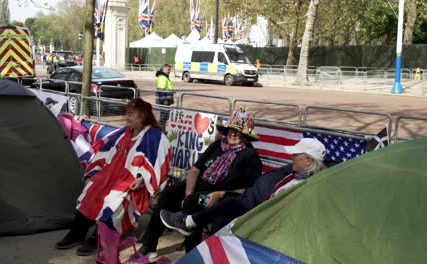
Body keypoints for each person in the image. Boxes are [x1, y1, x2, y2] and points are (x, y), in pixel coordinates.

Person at [139, 107, 263, 258]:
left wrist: (220, 194)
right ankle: (149, 245)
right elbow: (194, 171)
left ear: (245, 135)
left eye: (238, 131)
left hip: (220, 196)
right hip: (198, 186)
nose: (233, 133)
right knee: (168, 194)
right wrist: (187, 192)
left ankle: (192, 255)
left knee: (193, 202)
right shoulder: (217, 145)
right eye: (231, 129)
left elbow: (249, 190)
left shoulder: (251, 156)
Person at [55, 98, 172, 256]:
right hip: (110, 177)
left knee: (114, 200)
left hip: (133, 182)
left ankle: (100, 237)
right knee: (91, 192)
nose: (127, 118)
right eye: (127, 114)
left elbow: (160, 164)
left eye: (132, 115)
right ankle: (77, 232)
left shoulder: (155, 137)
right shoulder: (124, 133)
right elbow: (103, 152)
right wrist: (94, 173)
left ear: (143, 116)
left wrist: (143, 180)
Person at [160, 138, 327, 237]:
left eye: (296, 155)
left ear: (308, 161)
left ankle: (189, 222)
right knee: (194, 201)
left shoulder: (250, 156)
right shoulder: (291, 173)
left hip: (263, 214)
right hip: (244, 199)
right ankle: (188, 226)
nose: (292, 156)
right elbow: (196, 169)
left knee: (227, 205)